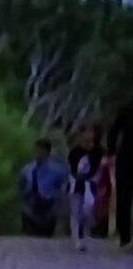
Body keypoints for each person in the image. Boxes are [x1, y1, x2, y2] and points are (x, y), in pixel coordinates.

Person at [67, 123, 108, 252]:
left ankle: (84, 232)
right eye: (85, 132)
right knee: (75, 211)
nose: (88, 136)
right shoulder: (75, 151)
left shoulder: (99, 151)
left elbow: (101, 168)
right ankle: (77, 239)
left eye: (91, 132)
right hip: (77, 182)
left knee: (88, 208)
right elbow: (72, 169)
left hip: (92, 183)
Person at [18, 139, 68, 238]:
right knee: (31, 242)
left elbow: (64, 190)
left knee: (46, 243)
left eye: (40, 151)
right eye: (36, 150)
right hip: (30, 213)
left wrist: (51, 198)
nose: (37, 153)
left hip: (48, 214)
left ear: (47, 152)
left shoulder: (58, 171)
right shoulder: (27, 170)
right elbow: (21, 188)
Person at [110, 98, 133, 251]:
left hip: (125, 157)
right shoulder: (127, 108)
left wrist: (111, 151)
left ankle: (124, 238)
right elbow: (114, 131)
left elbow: (114, 131)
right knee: (123, 198)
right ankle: (124, 237)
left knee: (124, 198)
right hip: (125, 158)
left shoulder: (127, 107)